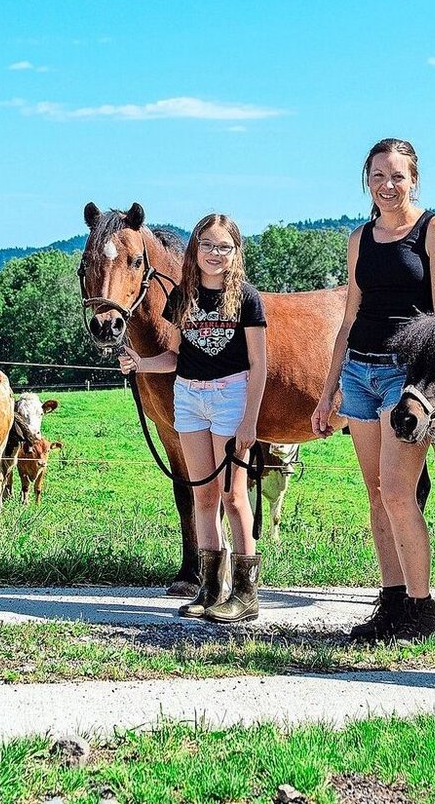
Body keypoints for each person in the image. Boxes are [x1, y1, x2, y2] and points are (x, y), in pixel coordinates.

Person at [312, 138, 435, 644]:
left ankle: (421, 609)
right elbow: (349, 317)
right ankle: (392, 603)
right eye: (378, 176)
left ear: (414, 179)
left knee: (398, 493)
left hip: (406, 378)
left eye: (397, 176)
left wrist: (426, 390)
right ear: (367, 181)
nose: (387, 185)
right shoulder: (360, 238)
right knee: (377, 494)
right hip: (358, 374)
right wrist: (328, 391)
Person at [119, 213, 268, 623]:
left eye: (224, 247)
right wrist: (141, 363)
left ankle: (246, 593)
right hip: (189, 399)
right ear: (195, 249)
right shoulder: (182, 296)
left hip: (230, 398)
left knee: (233, 497)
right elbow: (176, 356)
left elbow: (259, 365)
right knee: (203, 496)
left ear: (235, 252)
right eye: (207, 245)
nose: (215, 254)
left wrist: (250, 420)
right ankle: (211, 588)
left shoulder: (247, 299)